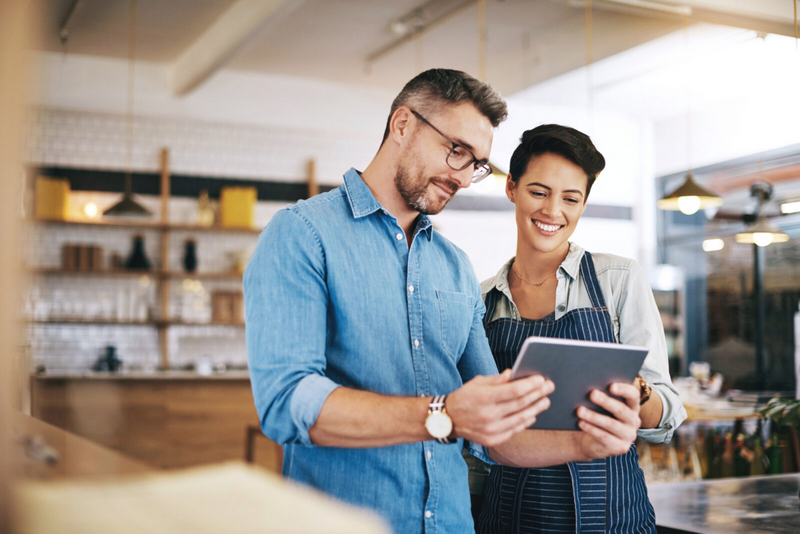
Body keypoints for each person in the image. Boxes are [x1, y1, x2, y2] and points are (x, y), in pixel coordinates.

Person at [244, 70, 643, 534]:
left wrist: (586, 446)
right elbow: (286, 401)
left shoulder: (454, 266)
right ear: (402, 125)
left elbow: (497, 433)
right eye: (456, 150)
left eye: (475, 164)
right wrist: (444, 415)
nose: (463, 177)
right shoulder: (302, 235)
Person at [473, 124, 687, 533]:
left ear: (583, 204)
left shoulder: (618, 279)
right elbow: (478, 443)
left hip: (615, 517)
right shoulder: (482, 301)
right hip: (510, 519)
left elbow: (667, 416)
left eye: (570, 198)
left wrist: (637, 392)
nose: (553, 212)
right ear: (512, 188)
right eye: (539, 192)